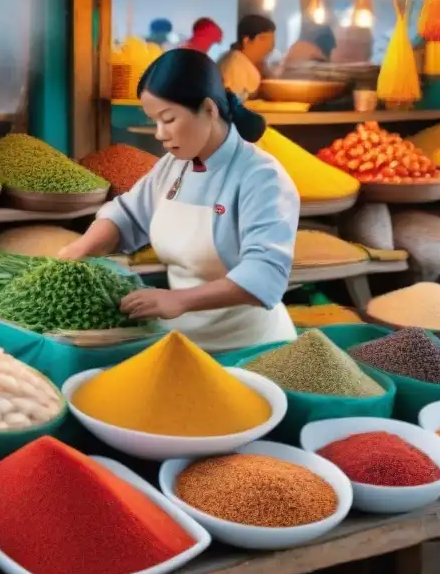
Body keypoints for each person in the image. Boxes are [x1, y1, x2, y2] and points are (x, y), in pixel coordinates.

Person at [58, 48, 298, 351]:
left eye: (168, 119)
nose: (159, 134)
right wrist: (81, 249)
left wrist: (178, 300)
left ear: (209, 109)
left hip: (251, 346)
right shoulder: (173, 166)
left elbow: (265, 274)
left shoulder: (261, 177)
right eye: (153, 121)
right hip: (184, 342)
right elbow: (127, 215)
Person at [216, 14, 276, 100]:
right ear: (246, 40)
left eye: (272, 40)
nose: (270, 46)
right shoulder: (235, 65)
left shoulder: (240, 60)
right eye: (264, 39)